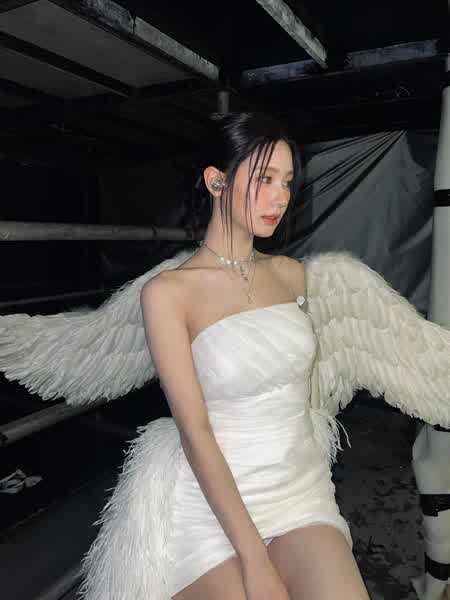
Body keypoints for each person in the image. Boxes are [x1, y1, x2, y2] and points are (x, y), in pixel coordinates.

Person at [139, 112, 370, 600]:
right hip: (213, 506)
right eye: (264, 179)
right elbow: (195, 431)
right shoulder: (168, 293)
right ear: (216, 182)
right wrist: (254, 561)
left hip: (299, 493)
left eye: (286, 181)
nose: (280, 197)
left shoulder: (290, 274)